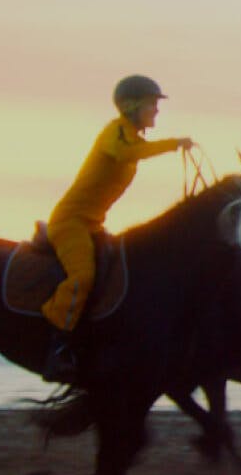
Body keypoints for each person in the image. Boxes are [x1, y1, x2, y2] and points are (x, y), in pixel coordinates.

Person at [42, 74, 193, 381]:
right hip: (70, 222)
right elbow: (125, 153)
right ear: (131, 105)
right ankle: (58, 346)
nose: (156, 111)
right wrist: (174, 144)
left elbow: (135, 150)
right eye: (152, 104)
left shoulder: (132, 138)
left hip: (93, 225)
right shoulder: (116, 133)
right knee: (82, 277)